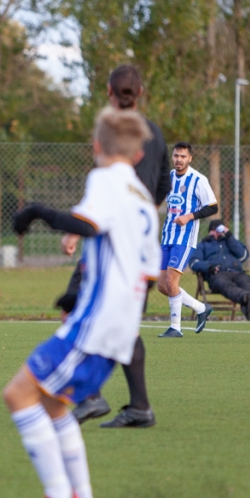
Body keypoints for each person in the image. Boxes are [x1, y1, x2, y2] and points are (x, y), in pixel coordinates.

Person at [7, 107, 160, 498]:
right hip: (119, 325)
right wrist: (82, 295)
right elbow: (146, 274)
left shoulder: (105, 179)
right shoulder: (143, 199)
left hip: (96, 325)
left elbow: (86, 225)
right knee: (55, 404)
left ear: (96, 146)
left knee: (18, 395)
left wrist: (36, 211)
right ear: (139, 154)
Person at [63, 64, 171, 428]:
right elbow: (163, 185)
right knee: (126, 326)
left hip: (111, 247)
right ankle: (139, 407)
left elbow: (106, 187)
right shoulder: (154, 132)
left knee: (75, 310)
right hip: (141, 249)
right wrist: (143, 211)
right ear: (141, 93)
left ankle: (90, 396)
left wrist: (75, 230)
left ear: (108, 91)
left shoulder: (110, 130)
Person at [156, 142, 218, 338]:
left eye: (183, 156)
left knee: (171, 280)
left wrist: (189, 216)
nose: (179, 160)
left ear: (190, 158)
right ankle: (201, 308)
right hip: (167, 236)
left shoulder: (198, 180)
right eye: (176, 156)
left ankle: (176, 327)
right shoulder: (168, 177)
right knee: (162, 285)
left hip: (184, 237)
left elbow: (213, 207)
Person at [189, 220, 250, 320]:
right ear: (213, 230)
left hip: (236, 272)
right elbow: (194, 263)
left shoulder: (229, 242)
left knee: (245, 282)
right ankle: (249, 298)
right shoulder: (203, 245)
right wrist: (209, 267)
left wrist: (229, 236)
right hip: (218, 274)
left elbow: (243, 255)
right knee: (226, 285)